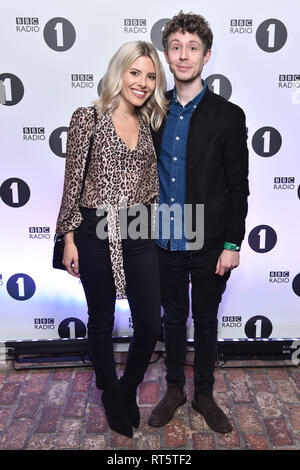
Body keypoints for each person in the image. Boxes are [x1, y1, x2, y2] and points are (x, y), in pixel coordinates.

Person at [55, 41, 168, 438]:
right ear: (119, 72)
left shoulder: (153, 122)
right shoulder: (87, 117)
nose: (142, 82)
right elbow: (72, 185)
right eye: (135, 72)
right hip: (92, 229)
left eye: (150, 76)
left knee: (150, 324)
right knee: (101, 319)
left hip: (138, 228)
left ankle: (127, 388)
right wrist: (69, 239)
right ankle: (109, 391)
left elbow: (152, 187)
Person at [148, 11, 249, 433]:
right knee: (172, 319)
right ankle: (174, 390)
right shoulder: (153, 112)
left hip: (209, 239)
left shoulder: (228, 115)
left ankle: (203, 394)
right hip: (163, 234)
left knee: (205, 319)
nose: (184, 55)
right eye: (176, 47)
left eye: (192, 48)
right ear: (167, 56)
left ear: (206, 55)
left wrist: (232, 244)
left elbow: (238, 185)